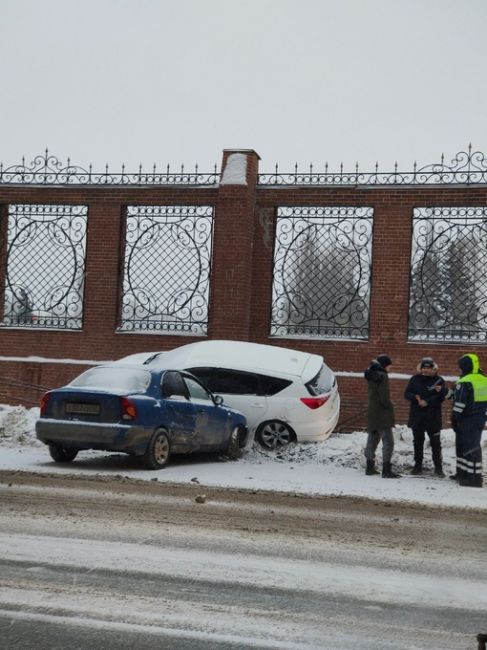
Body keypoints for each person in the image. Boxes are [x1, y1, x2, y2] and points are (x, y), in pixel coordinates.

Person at [404, 357, 448, 476]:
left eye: (428, 368)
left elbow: (442, 397)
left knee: (435, 443)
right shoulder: (414, 379)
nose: (426, 370)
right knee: (418, 442)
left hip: (433, 417)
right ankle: (417, 466)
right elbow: (407, 393)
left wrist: (428, 401)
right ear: (420, 368)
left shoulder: (438, 380)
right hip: (417, 416)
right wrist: (415, 398)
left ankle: (438, 467)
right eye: (424, 368)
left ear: (433, 368)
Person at [451, 353, 487, 488]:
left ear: (465, 366)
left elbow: (460, 403)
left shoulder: (465, 381)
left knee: (469, 447)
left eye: (460, 367)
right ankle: (463, 473)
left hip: (466, 419)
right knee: (470, 446)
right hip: (479, 418)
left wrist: (455, 418)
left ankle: (474, 479)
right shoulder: (484, 380)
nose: (459, 370)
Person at [364, 354, 400, 478]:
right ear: (385, 365)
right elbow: (384, 397)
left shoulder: (371, 375)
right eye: (389, 365)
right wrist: (390, 405)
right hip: (382, 413)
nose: (390, 368)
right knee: (388, 442)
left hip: (372, 411)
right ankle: (386, 469)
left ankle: (369, 467)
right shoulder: (383, 376)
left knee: (372, 439)